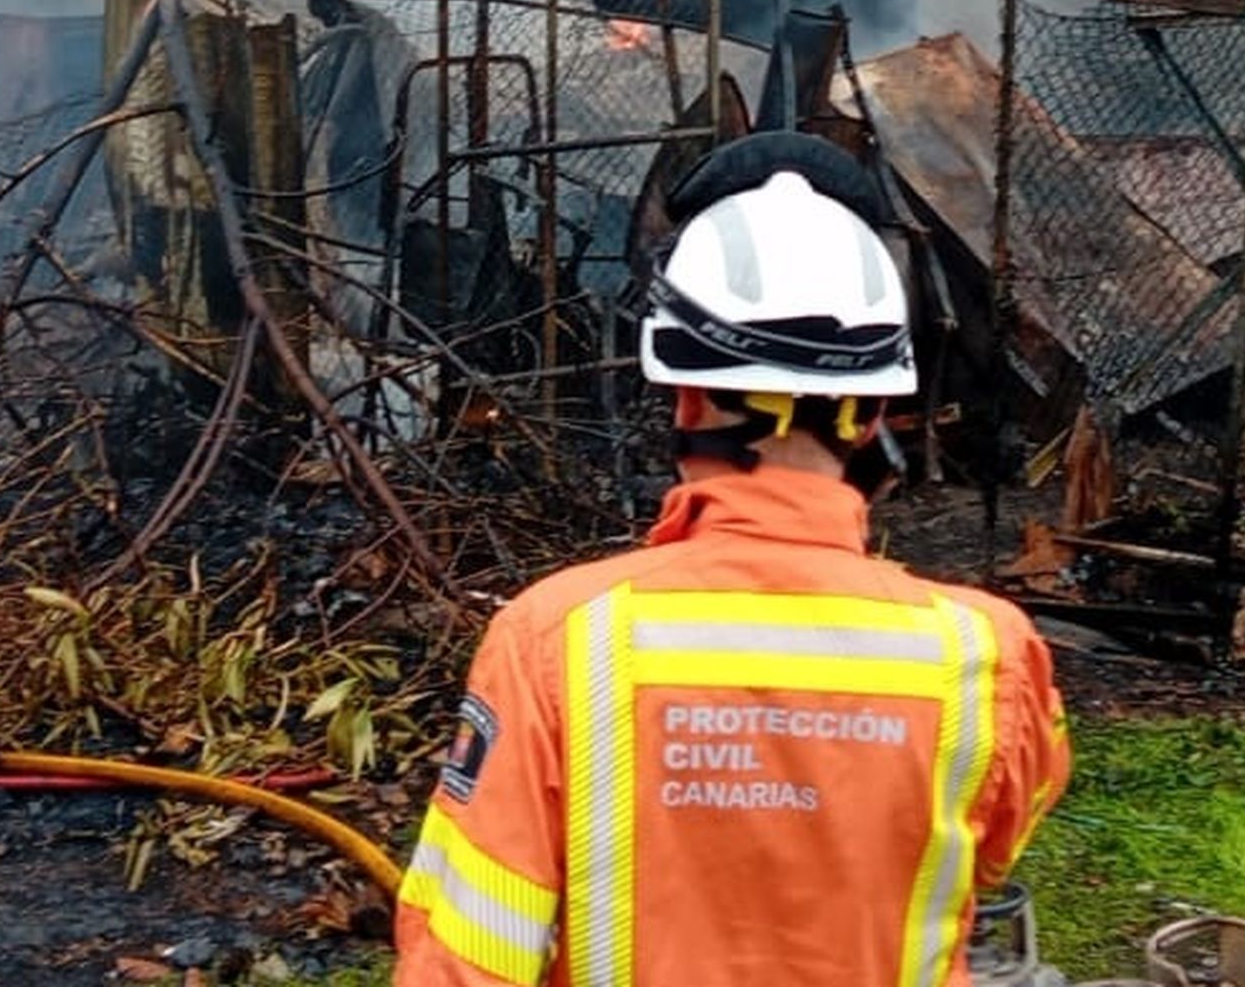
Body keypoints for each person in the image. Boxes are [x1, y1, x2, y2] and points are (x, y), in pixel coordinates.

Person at [393, 133, 1071, 987]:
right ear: (869, 413)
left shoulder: (554, 642)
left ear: (682, 390)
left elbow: (465, 960)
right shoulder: (989, 655)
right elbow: (991, 854)